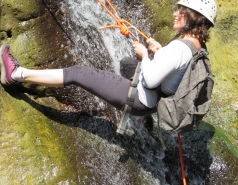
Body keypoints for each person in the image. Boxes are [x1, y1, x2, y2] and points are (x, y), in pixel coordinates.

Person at [0, 0, 217, 128]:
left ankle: (16, 74)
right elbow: (175, 74)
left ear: (193, 18)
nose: (175, 13)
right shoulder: (196, 48)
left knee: (77, 73)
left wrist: (144, 54)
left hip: (141, 99)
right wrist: (159, 52)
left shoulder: (180, 48)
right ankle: (145, 121)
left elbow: (151, 79)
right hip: (153, 101)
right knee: (126, 64)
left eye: (181, 11)